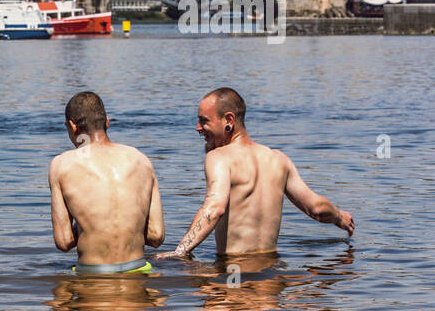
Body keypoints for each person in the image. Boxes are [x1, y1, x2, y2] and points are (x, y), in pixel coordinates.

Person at [158, 87, 354, 259]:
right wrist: (339, 217)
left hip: (233, 274)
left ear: (229, 120)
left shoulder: (219, 157)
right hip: (270, 275)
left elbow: (215, 208)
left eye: (204, 121)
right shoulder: (278, 159)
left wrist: (180, 252)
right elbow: (316, 208)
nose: (197, 128)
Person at [49, 91, 165, 274]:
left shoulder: (61, 165)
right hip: (139, 270)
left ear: (72, 127)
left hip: (93, 274)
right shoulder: (142, 160)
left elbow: (64, 242)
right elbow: (156, 236)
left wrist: (89, 225)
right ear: (107, 122)